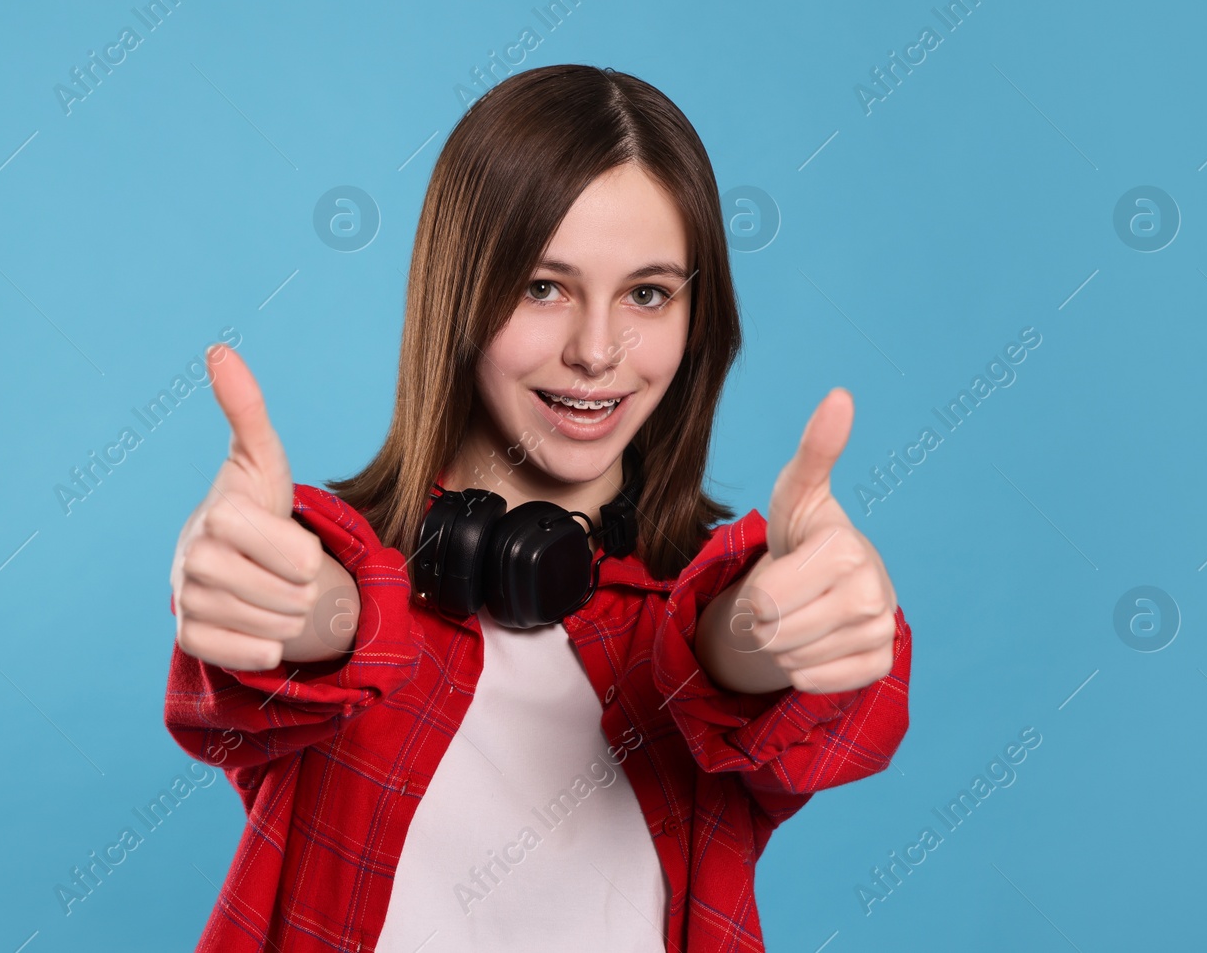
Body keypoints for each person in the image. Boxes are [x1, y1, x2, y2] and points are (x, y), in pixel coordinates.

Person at [163, 64, 912, 953]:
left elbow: (735, 662)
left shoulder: (705, 618)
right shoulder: (347, 588)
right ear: (459, 295)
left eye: (648, 293)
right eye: (542, 286)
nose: (598, 351)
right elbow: (334, 622)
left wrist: (787, 628)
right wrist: (278, 602)